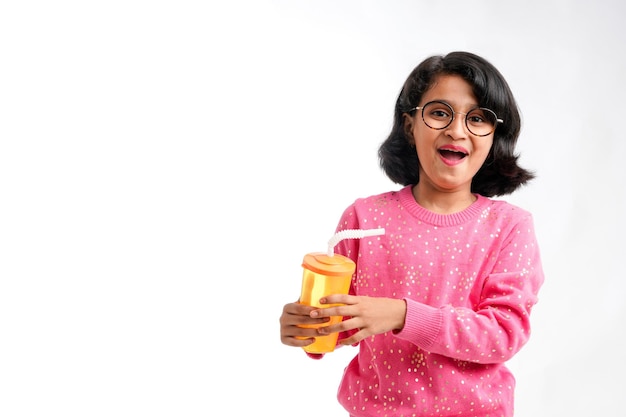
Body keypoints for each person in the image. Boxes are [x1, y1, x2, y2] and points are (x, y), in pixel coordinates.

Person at [279, 51, 544, 417]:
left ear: (494, 135)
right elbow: (338, 325)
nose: (457, 129)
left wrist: (404, 315)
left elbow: (502, 334)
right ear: (409, 125)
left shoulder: (508, 226)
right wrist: (307, 327)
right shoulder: (364, 218)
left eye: (478, 118)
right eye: (439, 112)